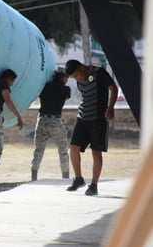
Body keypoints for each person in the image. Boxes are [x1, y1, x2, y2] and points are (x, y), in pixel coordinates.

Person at [65, 59, 118, 196]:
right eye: (74, 78)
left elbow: (113, 88)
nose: (77, 79)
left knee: (96, 152)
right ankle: (78, 179)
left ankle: (94, 185)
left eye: (76, 75)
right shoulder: (79, 80)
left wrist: (111, 107)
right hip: (83, 117)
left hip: (98, 119)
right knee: (73, 148)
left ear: (81, 68)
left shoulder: (99, 73)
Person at [31, 71, 71, 181]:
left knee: (38, 149)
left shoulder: (45, 86)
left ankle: (33, 176)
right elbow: (66, 97)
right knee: (63, 150)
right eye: (67, 77)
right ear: (63, 77)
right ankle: (65, 177)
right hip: (55, 121)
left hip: (42, 119)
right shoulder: (66, 89)